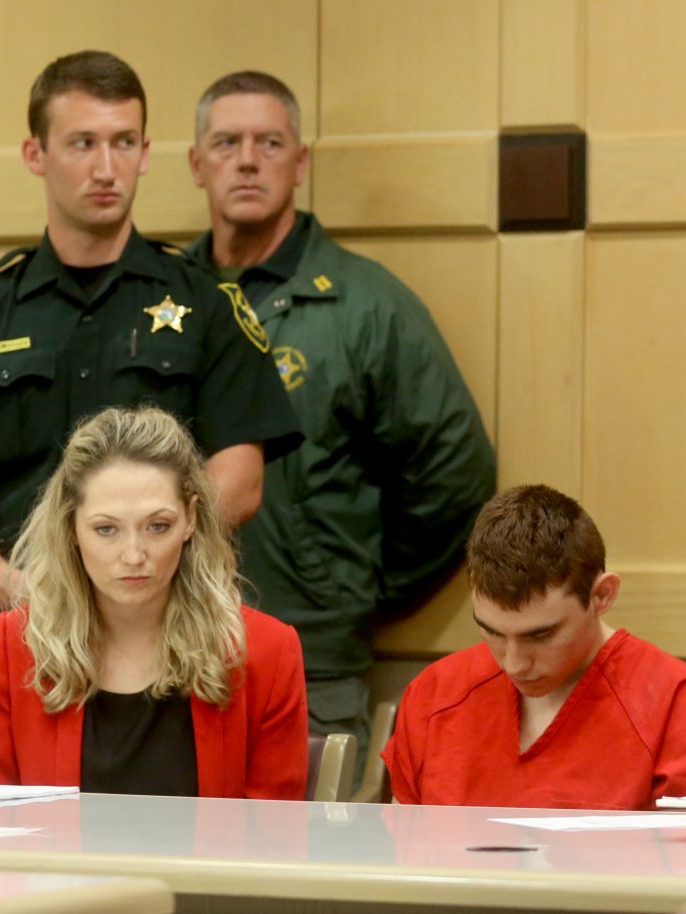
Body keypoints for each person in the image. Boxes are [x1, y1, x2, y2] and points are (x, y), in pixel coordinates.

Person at [0, 51, 302, 780]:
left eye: (124, 142)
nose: (107, 167)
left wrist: (138, 564)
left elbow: (239, 476)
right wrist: (13, 586)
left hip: (168, 655)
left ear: (145, 153)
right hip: (6, 654)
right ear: (35, 155)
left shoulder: (204, 307)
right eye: (83, 143)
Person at [185, 71, 496, 755]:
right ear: (196, 163)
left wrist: (353, 587)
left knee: (297, 853)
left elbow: (456, 471)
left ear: (300, 163)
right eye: (227, 142)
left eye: (270, 142)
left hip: (310, 657)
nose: (246, 159)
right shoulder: (161, 302)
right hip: (160, 645)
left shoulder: (365, 305)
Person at [0, 406, 307, 798]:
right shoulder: (14, 645)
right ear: (71, 526)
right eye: (106, 529)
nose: (134, 554)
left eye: (158, 526)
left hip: (206, 862)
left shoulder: (267, 652)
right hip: (53, 863)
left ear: (190, 519)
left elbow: (275, 844)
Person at [383, 485, 686, 809]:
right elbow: (401, 864)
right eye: (491, 632)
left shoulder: (680, 705)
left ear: (602, 596)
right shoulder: (435, 695)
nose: (514, 664)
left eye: (540, 636)